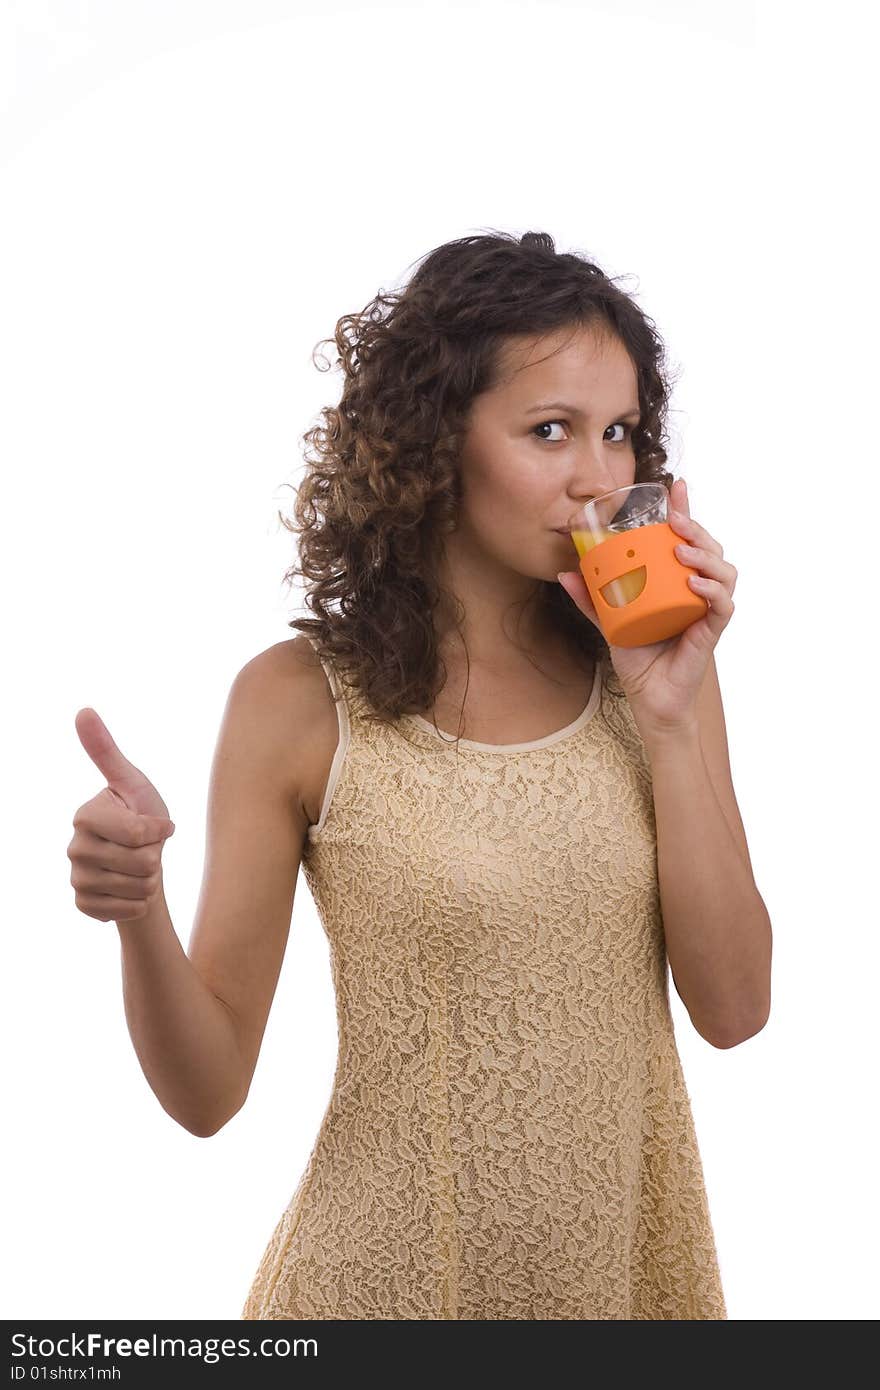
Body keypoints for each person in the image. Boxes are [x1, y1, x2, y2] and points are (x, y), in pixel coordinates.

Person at [68, 229, 771, 1320]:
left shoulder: (657, 686)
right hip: (375, 1299)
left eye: (619, 432)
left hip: (623, 1295)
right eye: (550, 431)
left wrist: (671, 721)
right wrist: (138, 910)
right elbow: (207, 1093)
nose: (599, 476)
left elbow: (734, 1010)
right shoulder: (300, 703)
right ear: (436, 443)